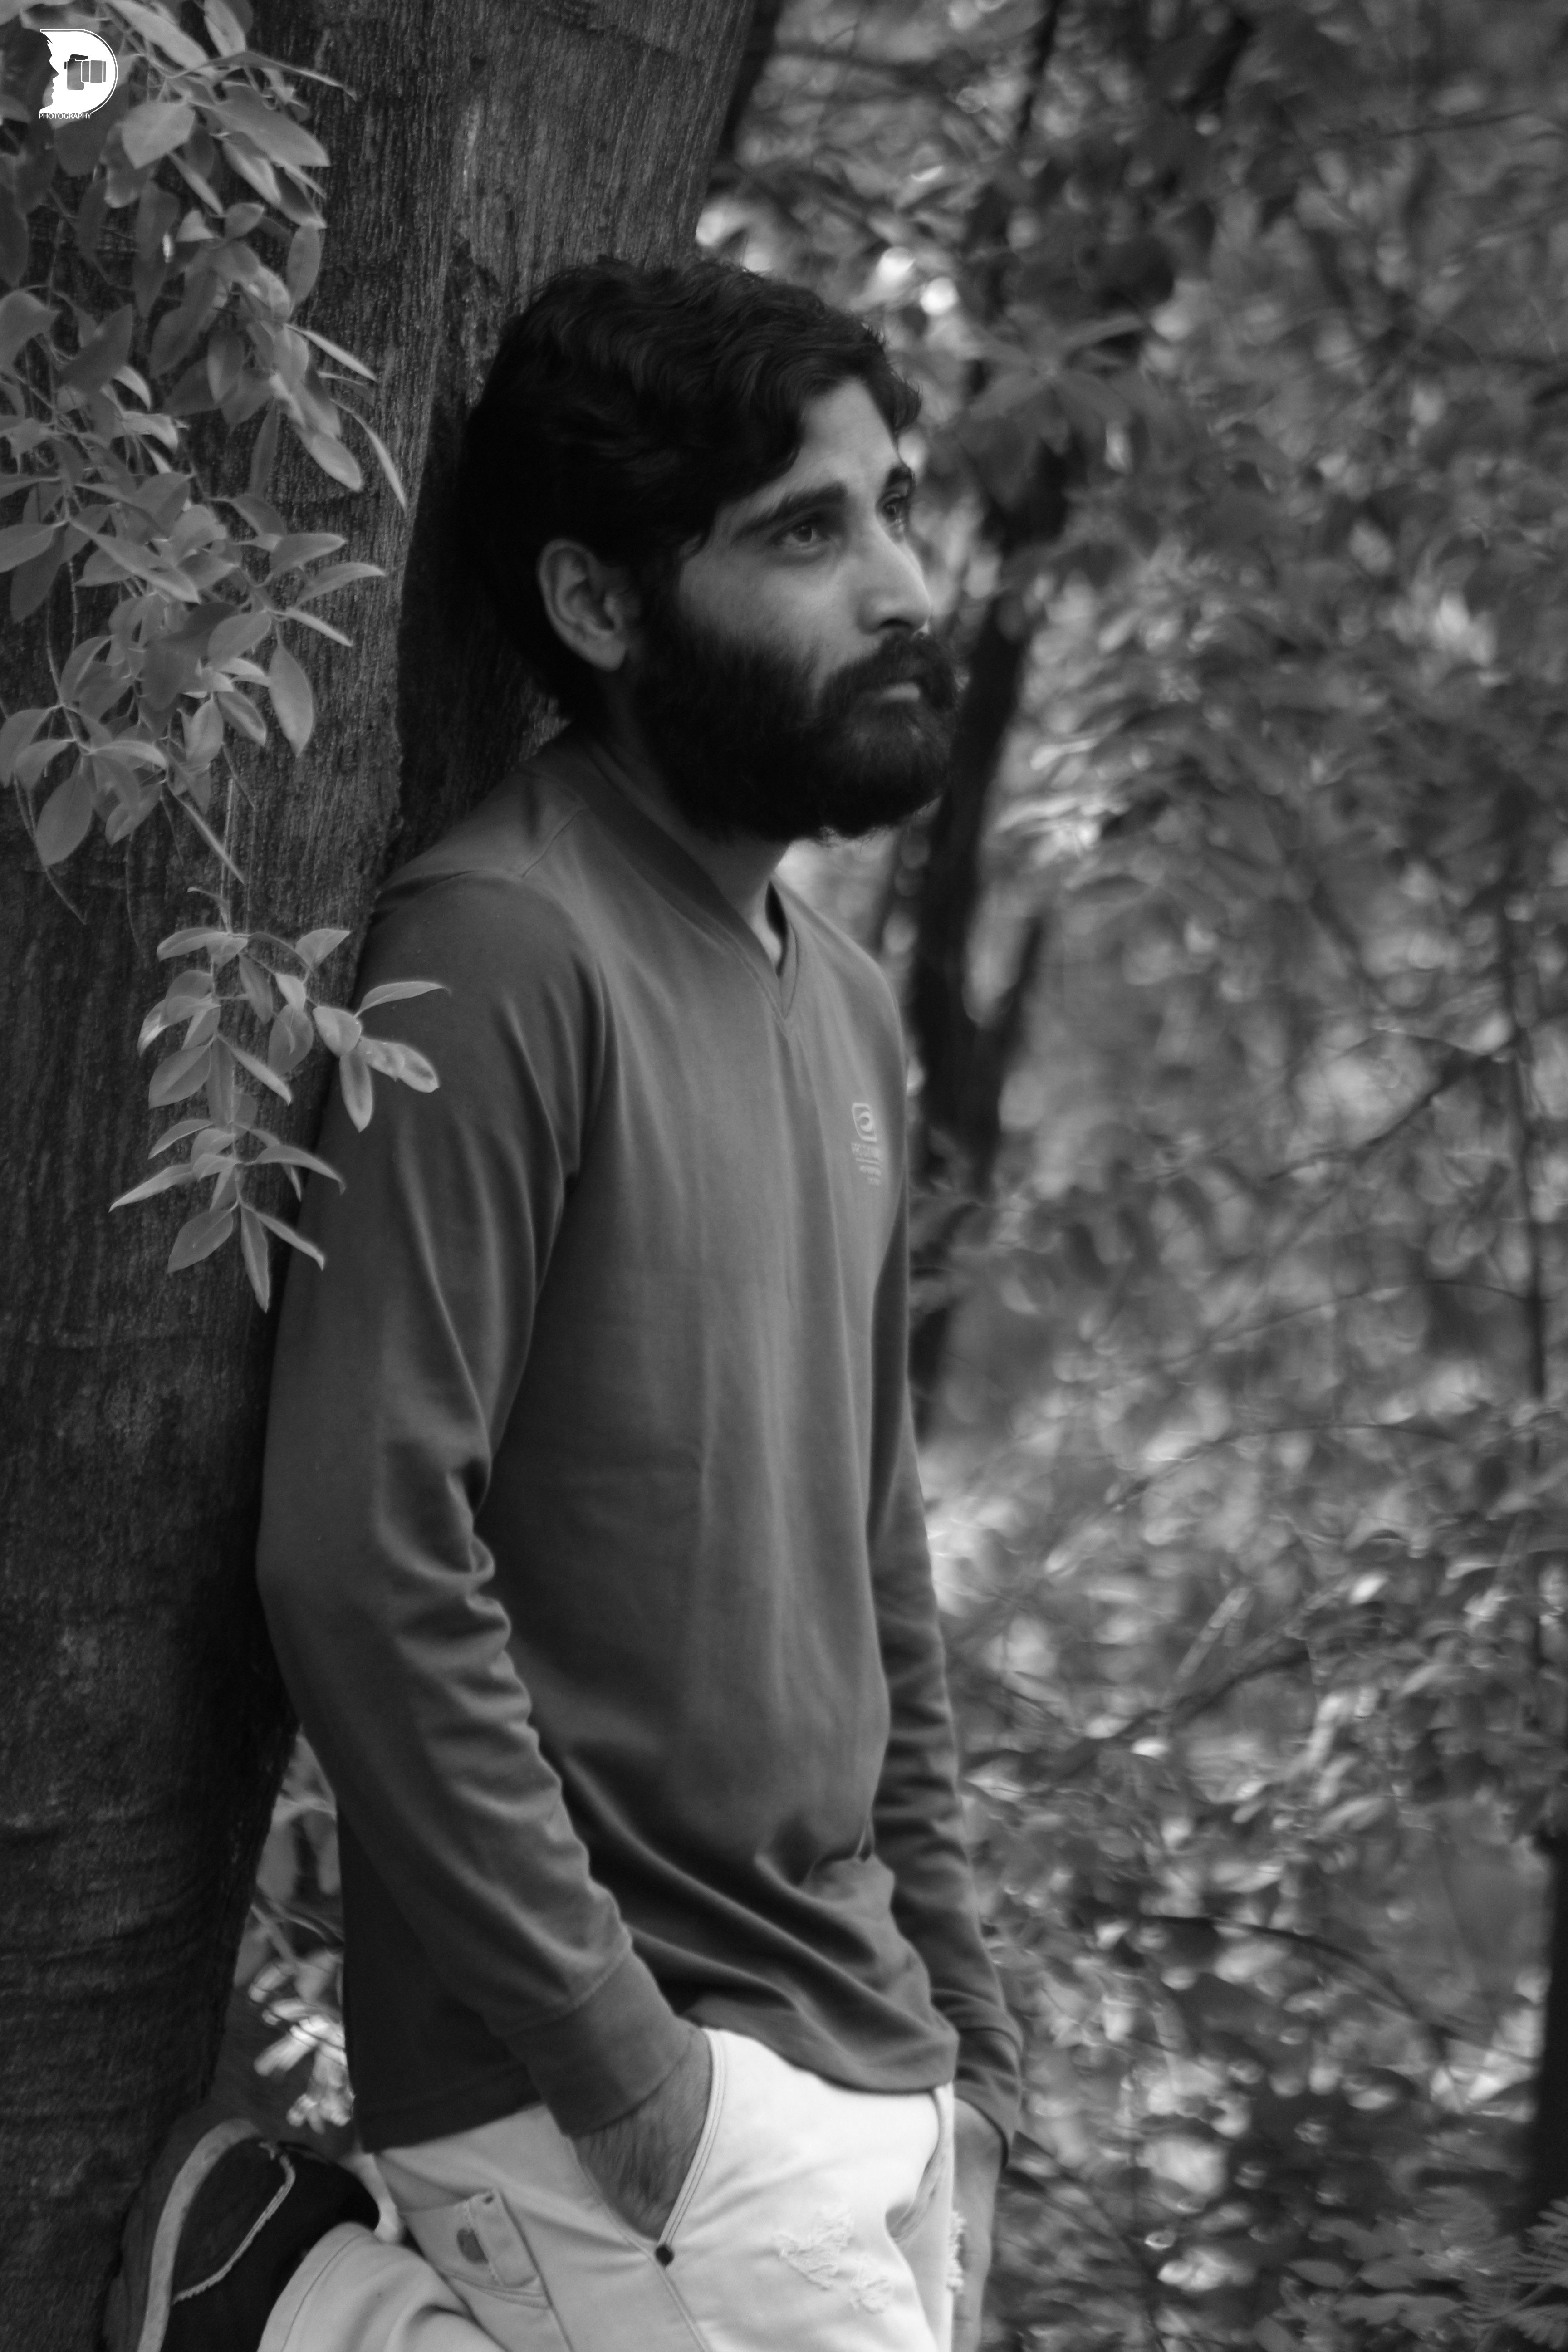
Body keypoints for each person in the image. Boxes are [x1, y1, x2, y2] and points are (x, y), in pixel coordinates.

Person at [108, 256, 1021, 2352]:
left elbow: (876, 1560)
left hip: (872, 2050)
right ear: (602, 605)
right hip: (618, 2074)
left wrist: (977, 2055)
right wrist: (625, 2071)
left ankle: (301, 2309)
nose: (903, 585)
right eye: (808, 532)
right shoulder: (506, 950)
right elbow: (362, 1551)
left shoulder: (846, 1008)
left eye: (895, 505)